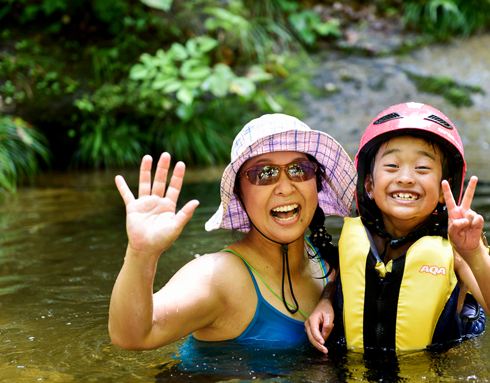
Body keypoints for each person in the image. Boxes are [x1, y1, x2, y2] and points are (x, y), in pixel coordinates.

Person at [109, 113, 356, 350]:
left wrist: (327, 296)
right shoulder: (219, 278)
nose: (285, 187)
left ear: (317, 182)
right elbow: (134, 337)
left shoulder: (327, 262)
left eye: (299, 169)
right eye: (264, 173)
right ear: (239, 193)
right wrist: (142, 254)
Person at [305, 102, 490, 353]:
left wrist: (473, 252)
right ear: (368, 185)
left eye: (422, 168)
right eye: (392, 166)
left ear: (446, 189)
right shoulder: (357, 239)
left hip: (430, 381)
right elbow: (337, 280)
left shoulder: (457, 251)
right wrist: (325, 302)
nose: (406, 177)